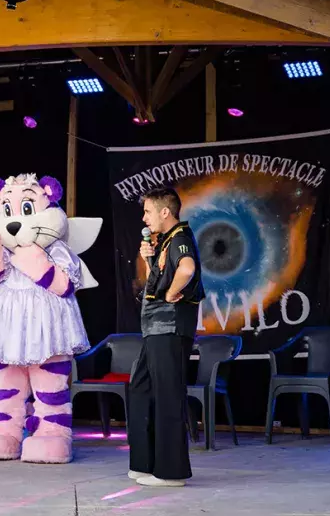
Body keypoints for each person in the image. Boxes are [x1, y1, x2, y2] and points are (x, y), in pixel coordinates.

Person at [127, 187, 205, 487]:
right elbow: (155, 282)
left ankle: (171, 472)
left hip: (170, 328)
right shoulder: (164, 242)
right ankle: (145, 463)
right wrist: (148, 261)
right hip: (155, 330)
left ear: (164, 212)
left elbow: (187, 268)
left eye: (147, 211)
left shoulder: (181, 238)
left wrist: (173, 292)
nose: (144, 218)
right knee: (141, 388)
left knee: (168, 396)